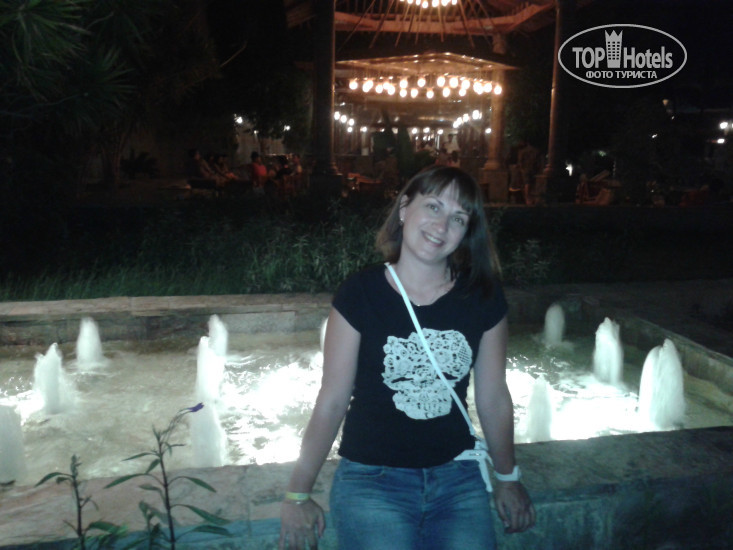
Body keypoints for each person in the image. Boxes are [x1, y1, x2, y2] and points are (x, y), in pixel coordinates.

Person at [279, 166, 535, 550]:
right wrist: (298, 494)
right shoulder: (360, 293)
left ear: (467, 231)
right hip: (371, 479)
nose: (442, 225)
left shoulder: (482, 297)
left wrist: (508, 478)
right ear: (404, 209)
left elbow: (494, 397)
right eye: (433, 206)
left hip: (458, 476)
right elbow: (332, 399)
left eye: (458, 218)